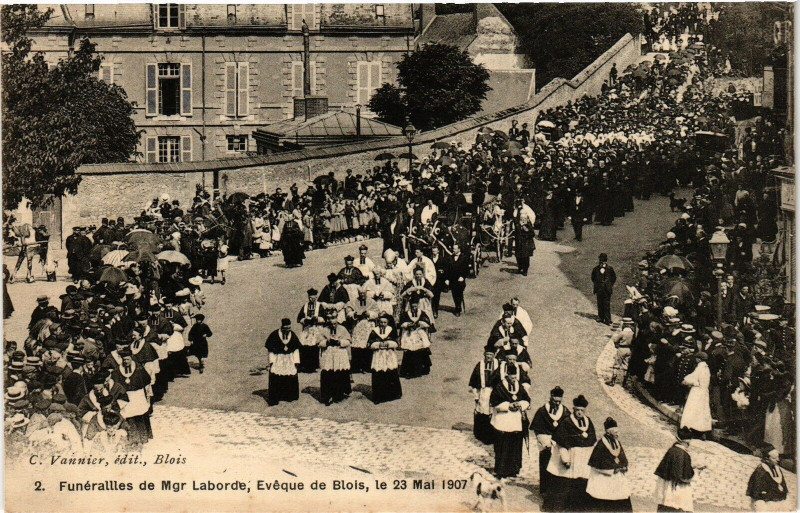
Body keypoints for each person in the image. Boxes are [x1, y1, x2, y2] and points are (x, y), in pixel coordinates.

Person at [546, 394, 597, 511]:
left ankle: (577, 507)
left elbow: (592, 439)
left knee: (581, 481)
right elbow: (560, 441)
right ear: (573, 409)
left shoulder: (588, 421)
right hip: (570, 456)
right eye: (577, 410)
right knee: (565, 483)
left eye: (582, 410)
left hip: (583, 457)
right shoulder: (566, 422)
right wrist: (565, 459)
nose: (579, 413)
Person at [490, 362, 530, 479]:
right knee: (502, 446)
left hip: (515, 421)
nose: (513, 380)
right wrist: (508, 406)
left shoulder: (519, 386)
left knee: (515, 446)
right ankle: (501, 470)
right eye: (511, 377)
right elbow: (494, 402)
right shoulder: (499, 387)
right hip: (503, 420)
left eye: (515, 377)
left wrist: (520, 404)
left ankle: (513, 469)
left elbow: (527, 399)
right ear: (507, 375)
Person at [530, 386, 569, 501]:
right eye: (555, 401)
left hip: (559, 442)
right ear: (551, 398)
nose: (557, 404)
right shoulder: (542, 411)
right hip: (546, 442)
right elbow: (537, 429)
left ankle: (556, 489)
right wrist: (544, 441)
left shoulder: (565, 411)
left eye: (559, 401)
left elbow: (569, 427)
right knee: (545, 464)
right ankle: (545, 490)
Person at [585, 417, 632, 512]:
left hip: (616, 476)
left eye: (617, 431)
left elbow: (622, 457)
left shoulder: (617, 442)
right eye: (615, 432)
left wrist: (623, 466)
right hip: (604, 476)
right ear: (608, 432)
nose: (617, 433)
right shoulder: (601, 445)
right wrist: (613, 469)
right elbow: (597, 463)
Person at [654, 436, 697, 512]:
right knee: (678, 507)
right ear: (686, 442)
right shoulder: (684, 454)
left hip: (665, 487)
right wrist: (694, 470)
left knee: (664, 506)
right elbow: (685, 476)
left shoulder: (671, 450)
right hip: (677, 488)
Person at [318, 309, 352, 405]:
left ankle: (338, 395)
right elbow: (319, 343)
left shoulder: (342, 329)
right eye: (329, 319)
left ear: (337, 318)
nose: (332, 322)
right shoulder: (324, 330)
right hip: (328, 354)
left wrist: (339, 342)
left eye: (333, 318)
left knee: (339, 373)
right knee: (328, 373)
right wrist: (327, 342)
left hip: (340, 353)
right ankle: (327, 395)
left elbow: (348, 341)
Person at [264, 318, 300, 406]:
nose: (288, 330)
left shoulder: (293, 335)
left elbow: (296, 350)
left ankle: (288, 396)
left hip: (289, 359)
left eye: (289, 328)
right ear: (282, 327)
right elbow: (271, 351)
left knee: (290, 376)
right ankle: (276, 397)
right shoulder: (274, 335)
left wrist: (296, 361)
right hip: (278, 359)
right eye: (286, 328)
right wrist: (271, 362)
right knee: (276, 376)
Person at [367, 313, 402, 404]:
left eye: (384, 322)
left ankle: (392, 395)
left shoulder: (391, 330)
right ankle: (379, 397)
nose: (382, 324)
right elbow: (369, 343)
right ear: (378, 322)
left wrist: (389, 344)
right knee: (379, 372)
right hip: (378, 354)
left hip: (389, 354)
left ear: (387, 323)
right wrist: (378, 344)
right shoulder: (374, 331)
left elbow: (396, 342)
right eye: (381, 322)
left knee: (390, 371)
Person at [469, 345, 499, 445]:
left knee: (494, 413)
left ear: (494, 355)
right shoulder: (480, 365)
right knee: (483, 413)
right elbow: (474, 382)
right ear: (484, 355)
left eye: (491, 355)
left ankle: (493, 436)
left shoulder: (498, 365)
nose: (489, 356)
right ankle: (482, 435)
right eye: (487, 354)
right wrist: (476, 395)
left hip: (495, 391)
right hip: (484, 392)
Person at [679, 352, 712, 439]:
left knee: (693, 409)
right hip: (704, 392)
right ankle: (701, 430)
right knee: (702, 410)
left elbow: (693, 377)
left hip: (697, 392)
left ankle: (690, 427)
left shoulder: (700, 368)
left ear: (699, 359)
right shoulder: (707, 369)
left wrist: (686, 381)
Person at [398, 296, 432, 379]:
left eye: (415, 306)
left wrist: (421, 323)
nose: (414, 308)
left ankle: (420, 369)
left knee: (420, 351)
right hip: (409, 334)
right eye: (412, 307)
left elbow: (427, 322)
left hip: (419, 333)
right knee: (409, 351)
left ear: (418, 306)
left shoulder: (422, 313)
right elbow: (401, 323)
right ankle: (408, 371)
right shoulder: (406, 314)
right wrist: (407, 325)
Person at [746, 446, 788, 511]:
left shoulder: (777, 469)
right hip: (763, 500)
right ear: (767, 458)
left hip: (775, 498)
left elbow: (783, 487)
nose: (778, 460)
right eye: (774, 458)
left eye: (778, 457)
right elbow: (757, 491)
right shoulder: (761, 470)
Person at [297, 288, 324, 373]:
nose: (312, 299)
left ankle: (313, 366)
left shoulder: (320, 306)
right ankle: (304, 365)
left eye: (314, 298)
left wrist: (317, 319)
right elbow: (299, 318)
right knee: (304, 345)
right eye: (310, 298)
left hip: (316, 328)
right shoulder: (305, 306)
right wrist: (304, 320)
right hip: (307, 328)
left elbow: (325, 318)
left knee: (314, 345)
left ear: (316, 297)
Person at [591, 253, 616, 325]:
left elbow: (613, 278)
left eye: (603, 261)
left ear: (606, 261)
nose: (602, 263)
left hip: (607, 289)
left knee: (607, 304)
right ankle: (601, 317)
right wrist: (598, 284)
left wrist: (609, 285)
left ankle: (607, 319)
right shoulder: (595, 269)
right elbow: (593, 278)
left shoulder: (610, 269)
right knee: (600, 303)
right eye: (600, 261)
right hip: (599, 289)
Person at [513, 199, 536, 276]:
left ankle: (525, 270)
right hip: (519, 241)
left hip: (526, 243)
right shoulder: (517, 223)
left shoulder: (528, 224)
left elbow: (532, 234)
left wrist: (526, 230)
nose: (523, 219)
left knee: (525, 257)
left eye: (524, 218)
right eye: (521, 218)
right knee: (518, 256)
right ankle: (520, 268)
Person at [449, 244, 470, 316]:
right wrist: (447, 279)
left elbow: (467, 269)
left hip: (460, 279)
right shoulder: (451, 257)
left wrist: (463, 277)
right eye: (453, 248)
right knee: (454, 294)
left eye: (455, 249)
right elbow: (448, 268)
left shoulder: (464, 258)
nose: (453, 250)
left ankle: (458, 308)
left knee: (459, 293)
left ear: (459, 249)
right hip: (452, 279)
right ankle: (457, 305)